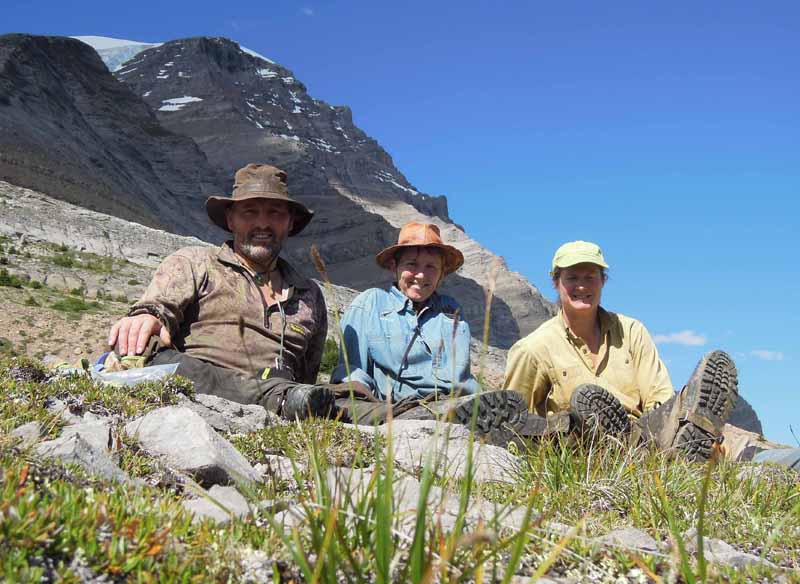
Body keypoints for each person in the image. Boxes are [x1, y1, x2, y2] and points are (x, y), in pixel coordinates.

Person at [106, 163, 334, 420]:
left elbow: (307, 375)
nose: (263, 224)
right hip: (202, 390)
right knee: (150, 352)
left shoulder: (310, 293)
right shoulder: (195, 262)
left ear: (290, 223)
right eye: (249, 212)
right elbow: (158, 307)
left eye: (275, 213)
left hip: (288, 398)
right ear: (230, 220)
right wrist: (147, 316)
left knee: (362, 404)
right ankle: (272, 397)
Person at [330, 221, 570, 443]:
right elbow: (353, 373)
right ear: (395, 266)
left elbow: (459, 379)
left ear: (442, 273)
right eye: (411, 265)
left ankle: (570, 428)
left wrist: (478, 399)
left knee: (514, 416)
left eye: (431, 267)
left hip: (450, 402)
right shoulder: (370, 303)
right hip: (395, 408)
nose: (421, 275)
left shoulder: (450, 311)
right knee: (477, 419)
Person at [503, 240, 739, 461]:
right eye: (572, 277)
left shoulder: (631, 331)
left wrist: (668, 417)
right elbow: (517, 419)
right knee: (577, 415)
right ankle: (664, 453)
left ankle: (692, 431)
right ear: (556, 282)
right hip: (582, 447)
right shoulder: (533, 349)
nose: (582, 285)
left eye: (590, 277)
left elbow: (658, 395)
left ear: (603, 280)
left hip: (644, 434)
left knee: (675, 406)